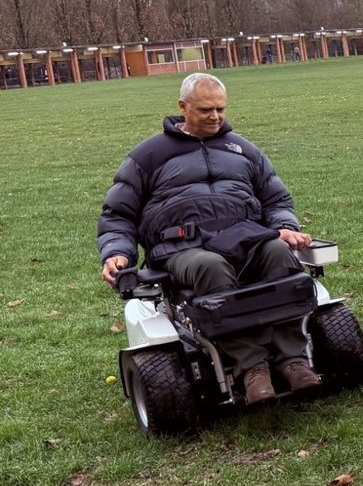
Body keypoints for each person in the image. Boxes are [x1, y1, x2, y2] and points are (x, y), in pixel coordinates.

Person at [97, 73, 321, 404]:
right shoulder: (148, 156)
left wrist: (285, 225)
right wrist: (117, 253)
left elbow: (276, 201)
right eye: (205, 110)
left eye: (220, 109)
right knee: (210, 267)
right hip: (182, 248)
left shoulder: (244, 150)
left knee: (277, 252)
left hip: (244, 236)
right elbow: (118, 214)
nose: (215, 117)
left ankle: (293, 361)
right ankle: (253, 369)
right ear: (183, 107)